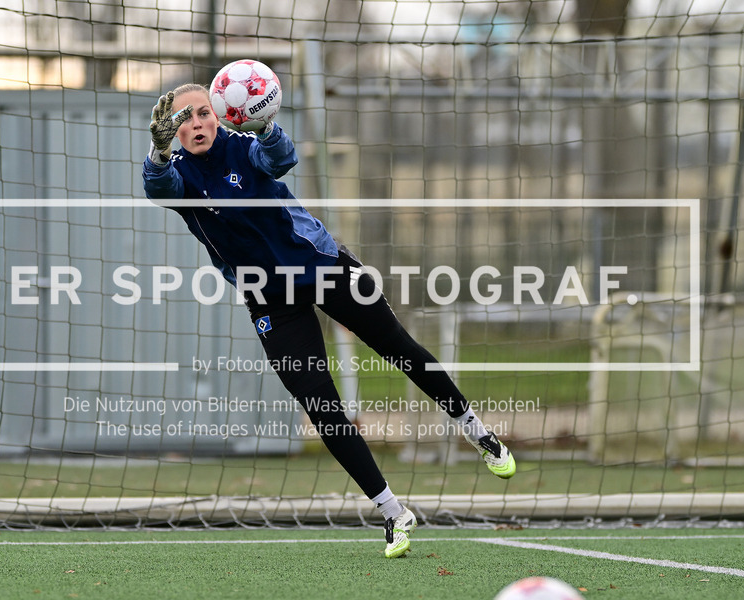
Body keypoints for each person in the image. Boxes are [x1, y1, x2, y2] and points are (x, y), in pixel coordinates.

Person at [142, 83, 516, 558]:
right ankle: (392, 512)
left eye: (202, 114)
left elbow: (279, 159)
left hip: (323, 266)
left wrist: (266, 123)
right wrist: (156, 150)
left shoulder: (245, 146)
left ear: (219, 115)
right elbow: (157, 189)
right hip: (269, 299)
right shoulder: (176, 175)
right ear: (173, 131)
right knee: (320, 405)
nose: (195, 124)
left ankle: (475, 429)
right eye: (182, 120)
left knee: (397, 348)